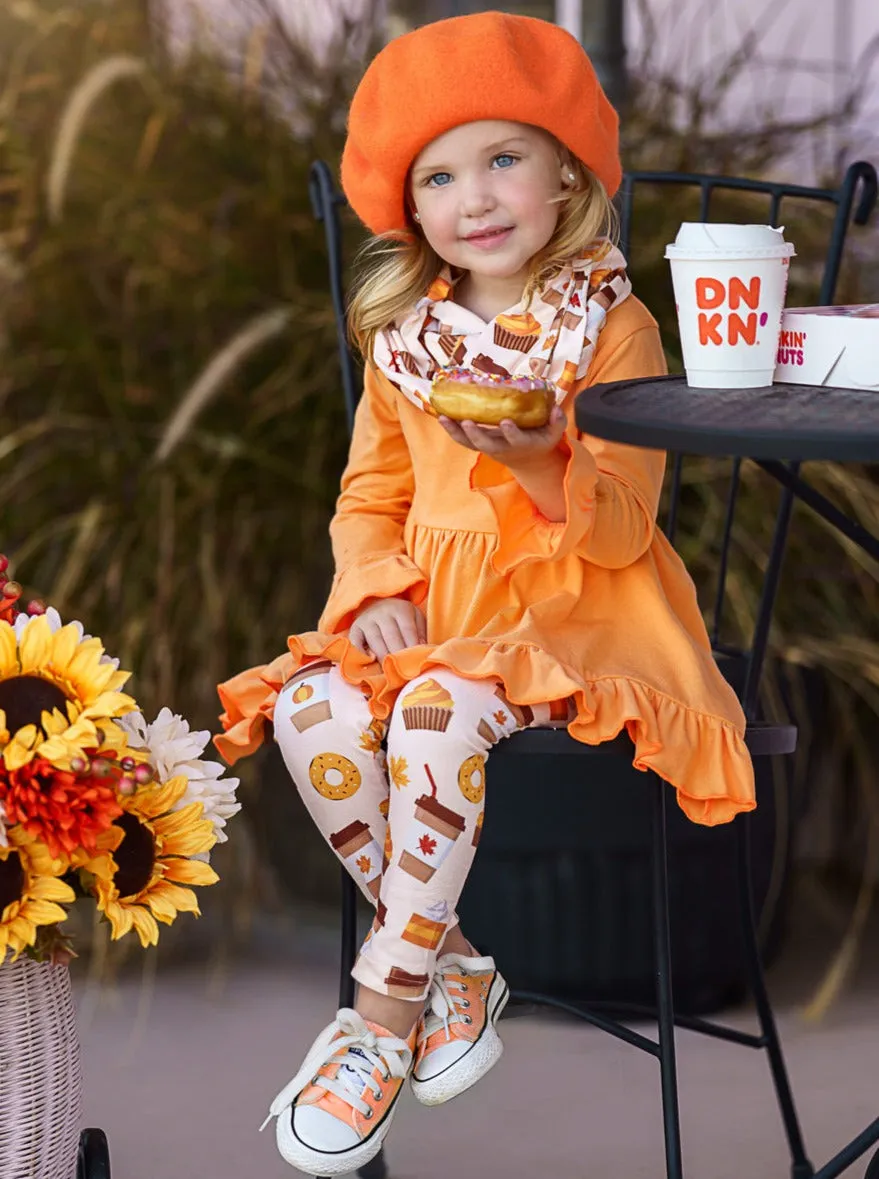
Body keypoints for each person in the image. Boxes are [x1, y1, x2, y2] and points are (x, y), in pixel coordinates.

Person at [215, 11, 755, 1176]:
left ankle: (383, 1017)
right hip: (440, 618)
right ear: (411, 209)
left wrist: (534, 458)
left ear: (565, 170)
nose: (479, 196)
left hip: (580, 620)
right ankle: (454, 965)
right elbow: (367, 498)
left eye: (504, 157)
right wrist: (373, 592)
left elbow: (623, 527)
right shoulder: (404, 342)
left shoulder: (611, 327)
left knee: (433, 712)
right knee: (312, 708)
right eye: (442, 175)